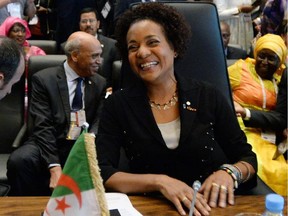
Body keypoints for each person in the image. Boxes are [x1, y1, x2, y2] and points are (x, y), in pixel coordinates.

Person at [96, 3, 257, 216]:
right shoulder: (117, 104)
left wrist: (229, 172)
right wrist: (159, 182)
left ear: (175, 47)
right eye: (133, 47)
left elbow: (247, 159)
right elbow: (102, 173)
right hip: (147, 208)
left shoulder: (208, 96)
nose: (142, 52)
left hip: (206, 207)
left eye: (152, 42)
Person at [7, 31, 107, 196]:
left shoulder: (99, 82)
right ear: (75, 56)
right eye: (94, 56)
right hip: (50, 140)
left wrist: (89, 143)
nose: (99, 61)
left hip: (82, 142)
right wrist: (54, 167)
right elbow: (42, 125)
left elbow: (99, 120)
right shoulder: (44, 79)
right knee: (20, 160)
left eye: (100, 55)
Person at [228, 33, 287, 196]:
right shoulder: (240, 68)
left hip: (270, 133)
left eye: (271, 58)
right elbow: (217, 87)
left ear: (279, 62)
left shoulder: (281, 78)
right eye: (261, 56)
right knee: (260, 165)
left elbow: (282, 115)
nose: (264, 62)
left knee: (281, 170)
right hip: (242, 128)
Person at [61, 7, 120, 94]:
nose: (88, 24)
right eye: (84, 21)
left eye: (91, 21)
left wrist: (113, 88)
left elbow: (116, 74)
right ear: (79, 25)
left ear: (98, 24)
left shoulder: (112, 45)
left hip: (105, 91)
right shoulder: (66, 46)